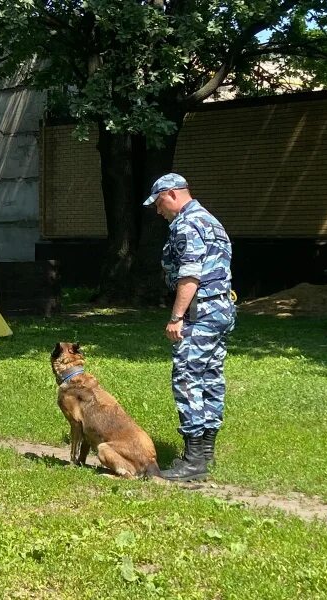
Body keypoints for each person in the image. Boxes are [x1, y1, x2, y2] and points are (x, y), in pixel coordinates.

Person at [143, 173, 235, 481]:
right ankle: (206, 452)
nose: (158, 211)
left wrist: (176, 317)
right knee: (210, 376)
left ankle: (193, 461)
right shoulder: (212, 221)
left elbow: (190, 275)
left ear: (171, 194)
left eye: (158, 203)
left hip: (200, 312)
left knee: (187, 378)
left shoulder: (187, 224)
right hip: (221, 309)